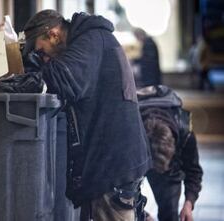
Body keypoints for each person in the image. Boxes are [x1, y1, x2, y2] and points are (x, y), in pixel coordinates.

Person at [23, 10, 151, 221]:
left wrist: (32, 67)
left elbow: (64, 80)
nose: (42, 56)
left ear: (53, 35)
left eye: (40, 50)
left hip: (113, 165)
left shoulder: (91, 40)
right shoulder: (92, 39)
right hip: (113, 160)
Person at [138, 85, 203, 221]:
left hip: (169, 169)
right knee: (125, 208)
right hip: (138, 157)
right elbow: (117, 182)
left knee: (169, 214)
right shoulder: (129, 135)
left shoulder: (185, 134)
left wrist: (188, 204)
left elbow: (193, 171)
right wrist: (141, 214)